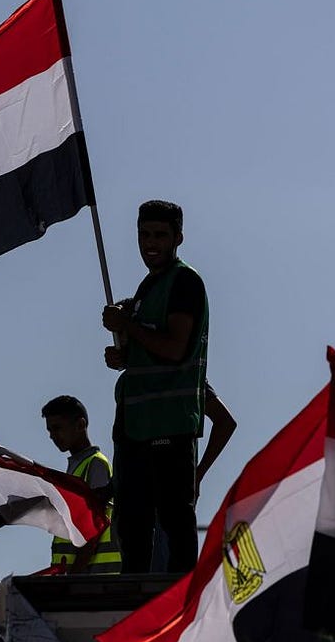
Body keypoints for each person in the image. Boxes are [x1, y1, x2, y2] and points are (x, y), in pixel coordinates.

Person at [102, 199, 224, 574]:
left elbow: (174, 348)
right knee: (133, 528)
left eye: (159, 235)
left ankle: (179, 609)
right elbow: (148, 351)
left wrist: (130, 328)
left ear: (177, 238)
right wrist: (123, 353)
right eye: (144, 234)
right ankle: (134, 605)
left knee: (174, 528)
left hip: (170, 427)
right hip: (136, 429)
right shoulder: (147, 288)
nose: (150, 242)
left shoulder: (184, 281)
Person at [42, 395, 121, 574]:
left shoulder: (95, 464)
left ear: (80, 425)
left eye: (57, 428)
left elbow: (95, 524)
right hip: (78, 576)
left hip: (95, 577)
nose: (53, 436)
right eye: (49, 431)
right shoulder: (76, 468)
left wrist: (75, 574)